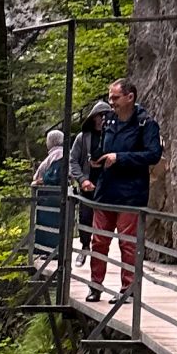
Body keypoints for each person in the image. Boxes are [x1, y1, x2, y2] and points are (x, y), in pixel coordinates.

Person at [86, 77, 164, 301]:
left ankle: (128, 290)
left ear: (130, 97)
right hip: (106, 190)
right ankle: (95, 285)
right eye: (110, 98)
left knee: (127, 243)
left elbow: (153, 154)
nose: (111, 102)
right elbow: (103, 147)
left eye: (115, 98)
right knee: (99, 239)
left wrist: (120, 158)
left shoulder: (146, 123)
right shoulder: (109, 121)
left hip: (131, 193)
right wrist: (98, 160)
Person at [69, 99, 111, 258]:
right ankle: (85, 246)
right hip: (88, 184)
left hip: (107, 185)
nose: (102, 119)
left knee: (105, 220)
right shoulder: (83, 138)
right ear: (93, 117)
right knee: (85, 217)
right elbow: (73, 160)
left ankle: (100, 253)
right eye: (100, 116)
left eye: (106, 116)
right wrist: (81, 179)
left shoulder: (112, 136)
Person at [31, 127, 66, 271]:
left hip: (52, 197)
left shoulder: (58, 155)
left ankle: (52, 250)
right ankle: (51, 250)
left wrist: (41, 180)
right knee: (53, 224)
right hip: (53, 197)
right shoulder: (59, 154)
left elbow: (54, 176)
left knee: (51, 225)